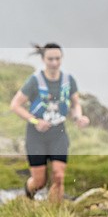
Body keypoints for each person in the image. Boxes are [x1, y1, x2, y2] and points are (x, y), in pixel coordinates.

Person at [9, 43, 90, 203]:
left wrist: (78, 117)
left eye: (57, 59)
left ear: (62, 59)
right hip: (36, 135)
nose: (54, 63)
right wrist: (35, 121)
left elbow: (75, 104)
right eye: (50, 59)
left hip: (58, 133)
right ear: (43, 59)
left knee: (58, 176)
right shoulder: (34, 81)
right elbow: (15, 105)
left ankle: (54, 216)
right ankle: (28, 196)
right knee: (39, 182)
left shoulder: (68, 80)